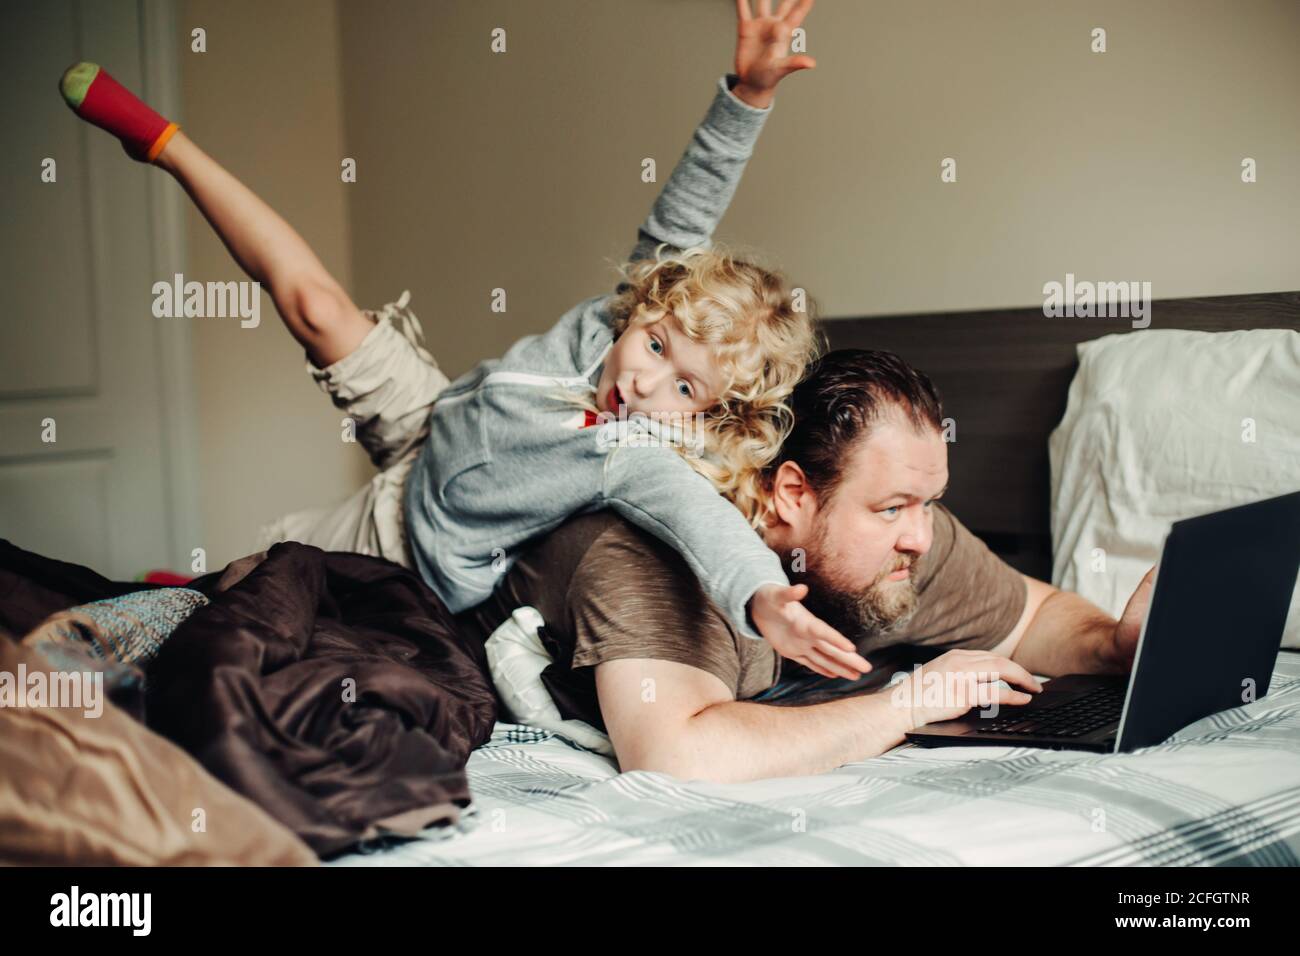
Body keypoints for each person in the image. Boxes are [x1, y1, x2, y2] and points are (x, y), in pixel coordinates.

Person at [58, 1, 875, 677]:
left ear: (704, 416)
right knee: (315, 307)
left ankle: (171, 592)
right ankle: (166, 145)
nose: (648, 383)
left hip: (409, 543)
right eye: (656, 347)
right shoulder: (618, 315)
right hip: (429, 415)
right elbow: (690, 201)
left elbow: (706, 522)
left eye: (686, 389)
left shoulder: (633, 455)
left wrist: (763, 597)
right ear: (645, 311)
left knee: (251, 585)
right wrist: (750, 94)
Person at [457, 348, 1156, 782]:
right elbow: (674, 754)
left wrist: (1113, 645)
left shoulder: (905, 537)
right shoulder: (649, 555)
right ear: (792, 494)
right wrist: (904, 705)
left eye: (930, 501)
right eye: (891, 509)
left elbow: (1032, 613)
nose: (921, 535)